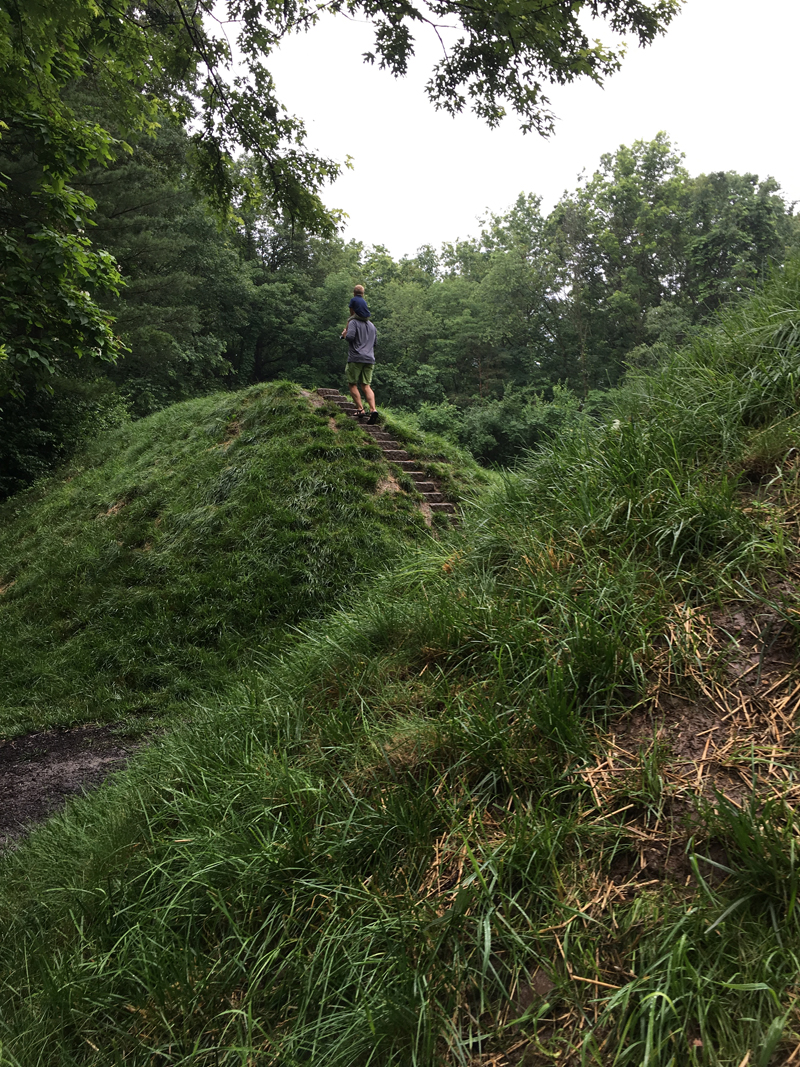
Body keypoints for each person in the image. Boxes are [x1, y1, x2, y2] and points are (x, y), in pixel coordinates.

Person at [342, 313, 378, 423]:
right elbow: (375, 343)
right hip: (370, 358)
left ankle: (360, 409)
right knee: (366, 385)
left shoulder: (353, 322)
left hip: (356, 358)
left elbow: (350, 337)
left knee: (352, 383)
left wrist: (344, 335)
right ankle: (373, 410)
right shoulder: (372, 325)